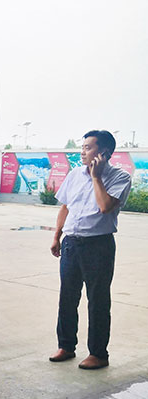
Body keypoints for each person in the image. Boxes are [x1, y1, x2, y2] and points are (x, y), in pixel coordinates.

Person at [48, 130, 131, 370]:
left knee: (97, 300)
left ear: (104, 152)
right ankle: (66, 346)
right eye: (82, 147)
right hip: (71, 244)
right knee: (67, 297)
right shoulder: (75, 174)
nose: (82, 152)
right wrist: (57, 236)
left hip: (98, 246)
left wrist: (96, 177)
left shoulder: (120, 177)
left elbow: (105, 206)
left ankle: (98, 354)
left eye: (87, 148)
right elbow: (66, 207)